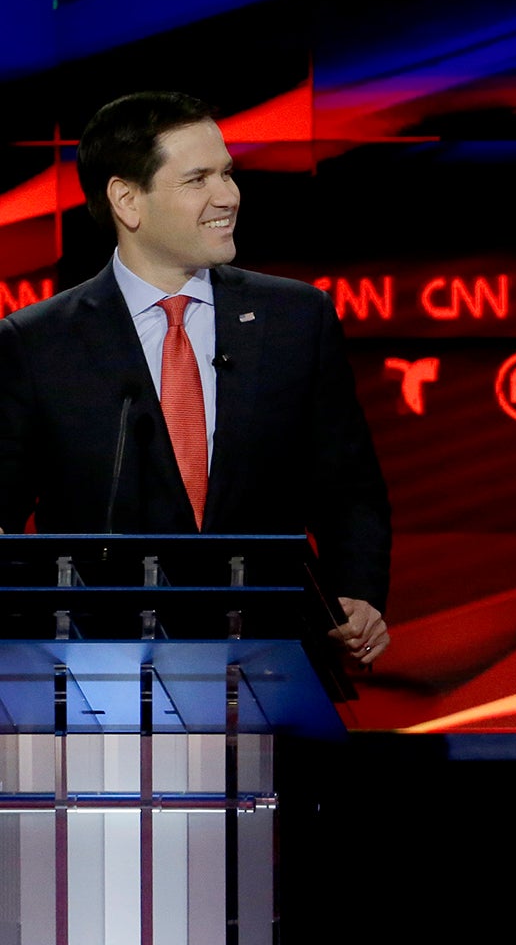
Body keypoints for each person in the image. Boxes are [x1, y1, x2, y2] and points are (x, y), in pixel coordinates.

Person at [0, 91, 392, 665]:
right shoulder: (37, 343)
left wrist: (356, 591)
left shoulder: (295, 318)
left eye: (228, 173)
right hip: (97, 668)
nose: (228, 196)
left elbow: (348, 486)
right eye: (198, 179)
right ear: (127, 200)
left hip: (269, 659)